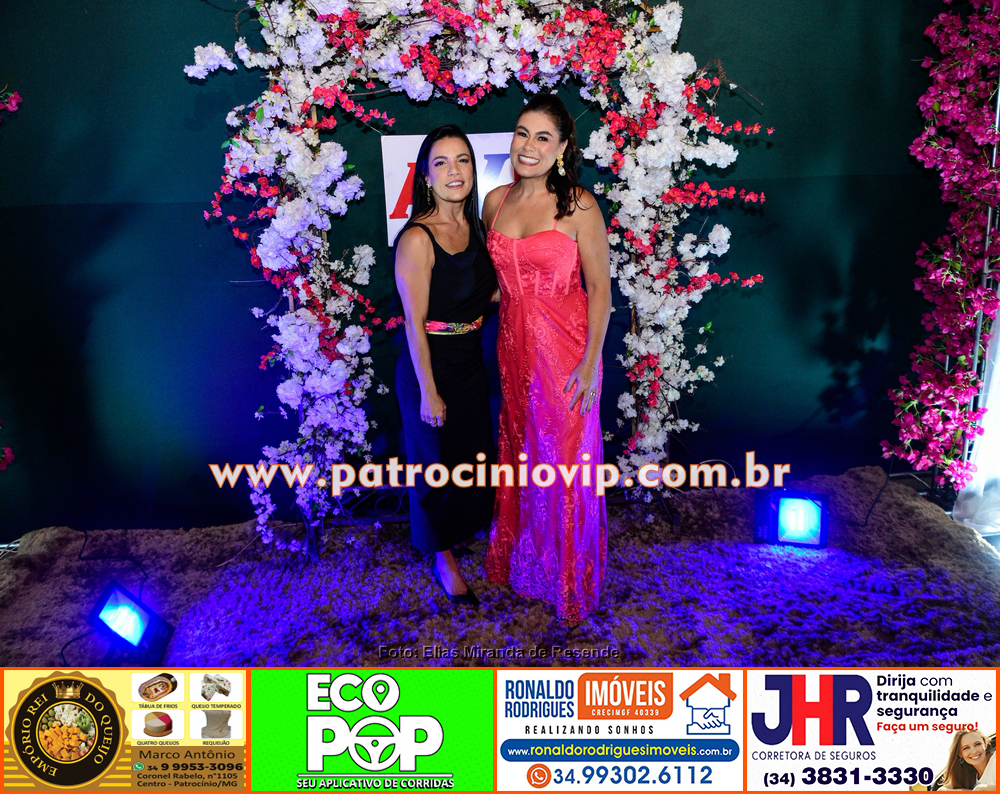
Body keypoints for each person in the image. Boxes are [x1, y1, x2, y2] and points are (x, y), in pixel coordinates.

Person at [483, 93, 612, 623]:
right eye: (522, 133)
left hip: (566, 353)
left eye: (542, 137)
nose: (528, 146)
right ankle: (526, 561)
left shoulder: (579, 206)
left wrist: (590, 363)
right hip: (512, 350)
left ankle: (568, 580)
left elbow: (601, 290)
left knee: (562, 464)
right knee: (522, 453)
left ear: (562, 148)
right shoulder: (494, 202)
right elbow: (500, 283)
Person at [394, 125, 497, 607]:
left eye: (463, 160)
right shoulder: (417, 237)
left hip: (470, 363)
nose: (454, 171)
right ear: (426, 176)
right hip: (428, 368)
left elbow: (483, 295)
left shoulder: (477, 229)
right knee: (435, 466)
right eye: (441, 162)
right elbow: (414, 323)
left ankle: (461, 531)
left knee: (469, 459)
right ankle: (443, 558)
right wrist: (429, 390)